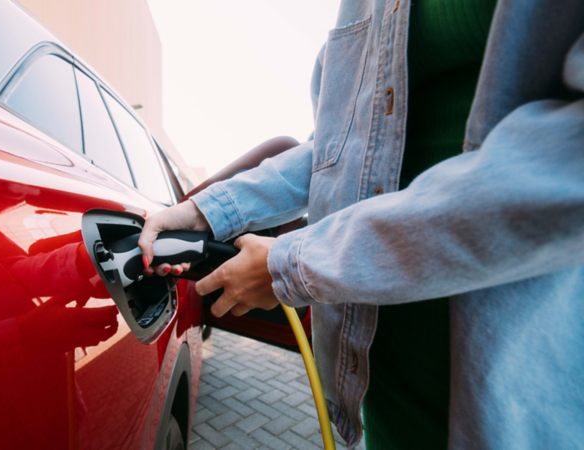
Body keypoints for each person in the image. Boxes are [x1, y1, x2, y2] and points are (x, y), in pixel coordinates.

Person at [138, 1, 584, 448]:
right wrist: (206, 211)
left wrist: (296, 263)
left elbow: (566, 168)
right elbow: (335, 149)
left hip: (513, 406)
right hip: (382, 386)